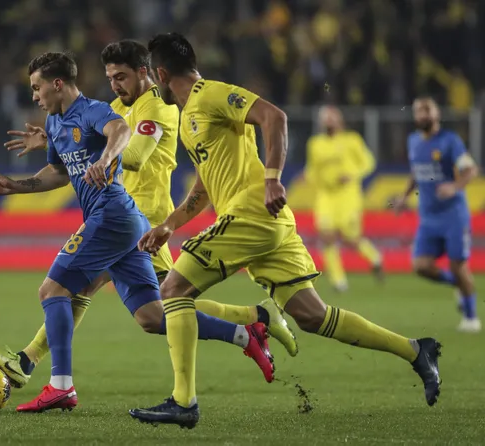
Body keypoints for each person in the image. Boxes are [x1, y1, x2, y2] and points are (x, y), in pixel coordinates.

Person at [129, 33, 442, 429]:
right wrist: (169, 225)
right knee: (312, 315)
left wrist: (273, 178)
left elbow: (274, 116)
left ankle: (183, 402)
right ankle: (416, 350)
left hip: (252, 214)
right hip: (266, 222)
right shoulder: (191, 115)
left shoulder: (211, 94)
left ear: (160, 74)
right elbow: (205, 188)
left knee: (173, 289)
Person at [0, 41, 297, 390]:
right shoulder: (116, 107)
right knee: (154, 313)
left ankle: (31, 363)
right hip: (121, 210)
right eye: (110, 79)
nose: (115, 86)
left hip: (142, 213)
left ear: (144, 73)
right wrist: (63, 140)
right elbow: (85, 143)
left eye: (121, 77)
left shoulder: (159, 107)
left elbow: (135, 156)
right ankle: (255, 319)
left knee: (75, 286)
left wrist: (88, 149)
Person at [393, 97, 480, 333]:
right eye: (418, 111)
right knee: (421, 266)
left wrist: (455, 186)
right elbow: (416, 172)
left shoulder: (450, 141)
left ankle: (471, 318)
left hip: (453, 216)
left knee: (458, 265)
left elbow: (471, 169)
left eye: (427, 110)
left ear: (437, 113)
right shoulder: (413, 141)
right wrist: (404, 197)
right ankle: (458, 285)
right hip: (428, 218)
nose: (422, 115)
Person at [304, 105, 383, 292]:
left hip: (348, 195)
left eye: (331, 117)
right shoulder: (315, 144)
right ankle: (339, 281)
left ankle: (375, 257)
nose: (328, 121)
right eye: (325, 117)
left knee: (351, 239)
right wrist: (309, 177)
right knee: (327, 236)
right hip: (326, 195)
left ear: (340, 120)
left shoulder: (352, 140)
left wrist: (352, 174)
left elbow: (369, 162)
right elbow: (312, 169)